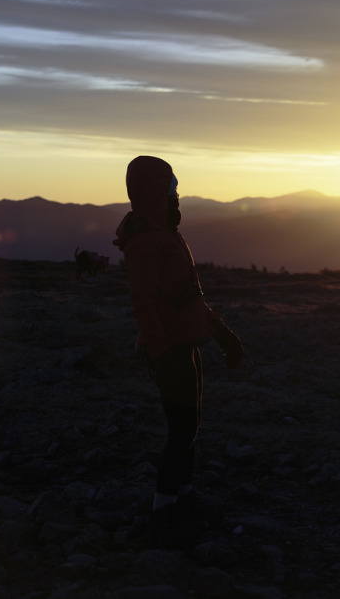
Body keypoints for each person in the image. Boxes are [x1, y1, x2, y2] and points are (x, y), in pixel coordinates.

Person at [114, 155, 243, 533]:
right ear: (156, 192)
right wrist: (160, 353)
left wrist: (220, 332)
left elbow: (190, 297)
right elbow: (144, 303)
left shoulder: (168, 236)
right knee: (181, 429)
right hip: (171, 350)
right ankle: (165, 509)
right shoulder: (146, 244)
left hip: (187, 344)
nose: (178, 195)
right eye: (171, 188)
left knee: (190, 426)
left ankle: (182, 496)